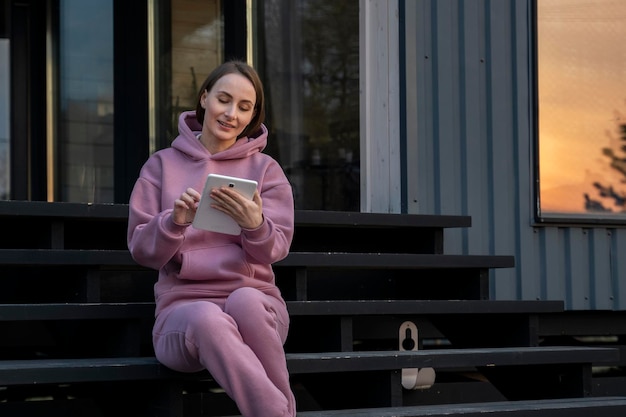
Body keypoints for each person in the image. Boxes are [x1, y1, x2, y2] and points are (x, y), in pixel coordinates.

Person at [127, 60, 296, 417]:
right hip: (183, 314)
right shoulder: (160, 166)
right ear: (204, 98)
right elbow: (141, 250)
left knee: (246, 300)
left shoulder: (266, 170)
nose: (231, 114)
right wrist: (174, 222)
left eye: (244, 107)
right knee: (208, 317)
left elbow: (277, 249)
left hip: (258, 312)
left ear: (252, 117)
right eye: (224, 99)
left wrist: (256, 225)